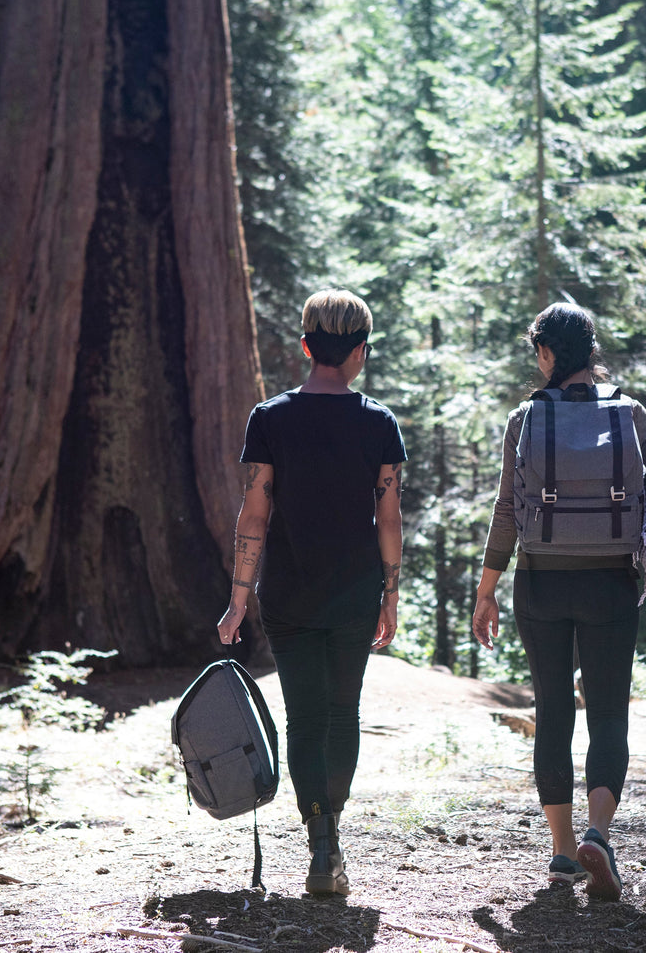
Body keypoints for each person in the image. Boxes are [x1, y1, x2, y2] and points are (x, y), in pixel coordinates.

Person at [471, 303, 646, 901]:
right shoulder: (631, 412)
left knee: (553, 714)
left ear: (546, 354)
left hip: (540, 581)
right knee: (609, 714)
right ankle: (600, 832)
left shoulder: (525, 417)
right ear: (590, 352)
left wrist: (487, 588)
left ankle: (563, 852)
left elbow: (507, 511)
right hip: (610, 583)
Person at [218, 288, 405, 897]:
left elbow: (254, 516)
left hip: (288, 595)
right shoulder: (378, 423)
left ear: (305, 348)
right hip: (354, 594)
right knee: (340, 710)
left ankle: (320, 843)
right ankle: (333, 836)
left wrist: (238, 599)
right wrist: (390, 594)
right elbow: (390, 520)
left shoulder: (270, 418)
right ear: (360, 353)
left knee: (303, 715)